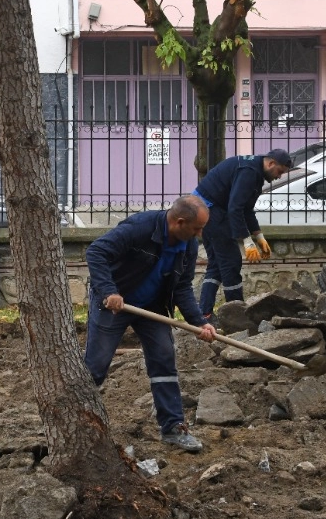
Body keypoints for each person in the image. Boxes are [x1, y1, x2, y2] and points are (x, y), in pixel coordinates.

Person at [83, 195, 218, 453]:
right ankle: (77, 425)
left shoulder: (188, 245)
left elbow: (182, 287)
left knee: (164, 360)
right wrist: (109, 291)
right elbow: (96, 252)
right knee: (96, 365)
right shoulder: (140, 228)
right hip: (114, 304)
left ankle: (172, 427)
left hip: (153, 308)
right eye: (197, 228)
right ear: (179, 222)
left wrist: (200, 322)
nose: (200, 234)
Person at [193, 148, 294, 316]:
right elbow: (235, 208)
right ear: (271, 163)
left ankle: (204, 313)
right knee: (231, 263)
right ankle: (236, 315)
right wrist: (247, 241)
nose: (279, 176)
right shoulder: (249, 172)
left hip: (205, 210)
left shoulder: (255, 172)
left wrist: (259, 236)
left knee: (217, 265)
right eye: (279, 171)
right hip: (210, 211)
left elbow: (246, 209)